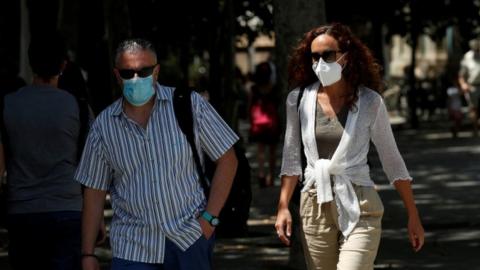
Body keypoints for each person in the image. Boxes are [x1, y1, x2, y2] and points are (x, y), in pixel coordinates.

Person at [75, 38, 238, 270]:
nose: (136, 78)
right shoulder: (104, 126)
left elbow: (228, 159)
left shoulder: (189, 105)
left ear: (157, 71)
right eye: (127, 72)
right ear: (116, 74)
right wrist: (88, 253)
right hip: (132, 248)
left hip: (189, 239)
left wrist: (210, 219)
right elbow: (94, 190)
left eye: (144, 71)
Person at [274, 23, 425, 270]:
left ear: (345, 56)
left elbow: (392, 161)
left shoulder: (369, 102)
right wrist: (282, 207)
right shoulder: (298, 100)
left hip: (360, 202)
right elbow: (291, 159)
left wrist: (413, 214)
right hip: (314, 204)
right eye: (314, 56)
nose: (320, 62)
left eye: (328, 55)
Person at [0, 34, 83, 270]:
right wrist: (94, 217)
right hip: (68, 209)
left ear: (30, 63)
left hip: (23, 211)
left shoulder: (8, 105)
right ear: (63, 65)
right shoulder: (78, 107)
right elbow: (92, 169)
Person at [248, 62, 280, 187]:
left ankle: (261, 173)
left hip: (258, 124)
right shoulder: (274, 88)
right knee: (272, 151)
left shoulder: (254, 89)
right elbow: (278, 105)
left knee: (260, 150)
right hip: (272, 124)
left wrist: (251, 121)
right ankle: (271, 176)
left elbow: (249, 106)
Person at [458, 38, 480, 136]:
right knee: (473, 108)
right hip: (473, 86)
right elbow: (461, 74)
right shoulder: (467, 57)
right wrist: (463, 84)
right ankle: (475, 129)